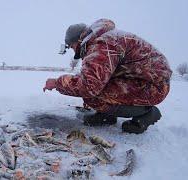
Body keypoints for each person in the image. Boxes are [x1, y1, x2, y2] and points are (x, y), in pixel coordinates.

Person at [43, 19, 172, 134]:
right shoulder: (103, 39)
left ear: (79, 40)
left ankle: (146, 112)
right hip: (144, 80)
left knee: (92, 95)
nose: (72, 50)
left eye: (72, 46)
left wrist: (57, 82)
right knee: (98, 86)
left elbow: (89, 85)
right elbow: (94, 75)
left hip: (153, 87)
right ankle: (106, 115)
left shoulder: (102, 45)